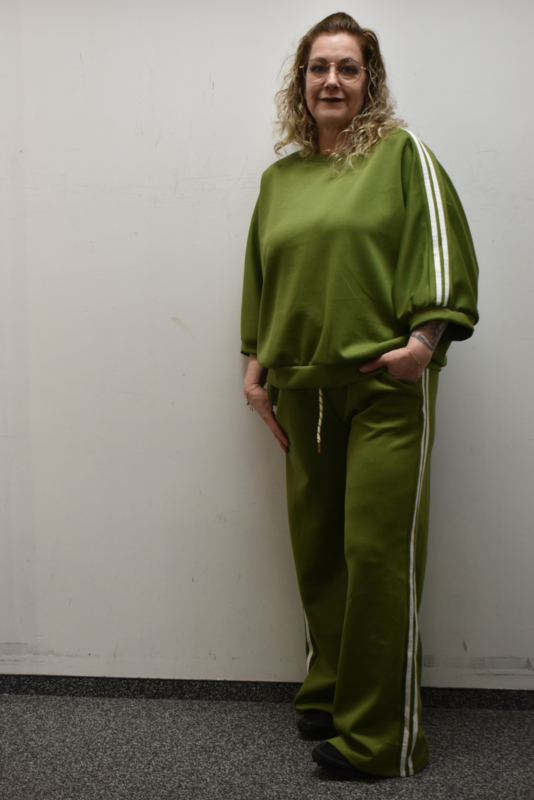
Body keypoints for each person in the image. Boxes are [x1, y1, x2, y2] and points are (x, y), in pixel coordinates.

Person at [240, 12, 478, 780]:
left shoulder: (403, 156)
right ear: (301, 82)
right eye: (319, 67)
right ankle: (332, 690)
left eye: (347, 67)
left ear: (369, 80)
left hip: (383, 390)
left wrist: (423, 346)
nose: (332, 81)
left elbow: (442, 254)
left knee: (376, 554)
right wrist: (255, 365)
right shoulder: (279, 181)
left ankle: (382, 738)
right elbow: (266, 277)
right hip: (303, 391)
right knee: (318, 552)